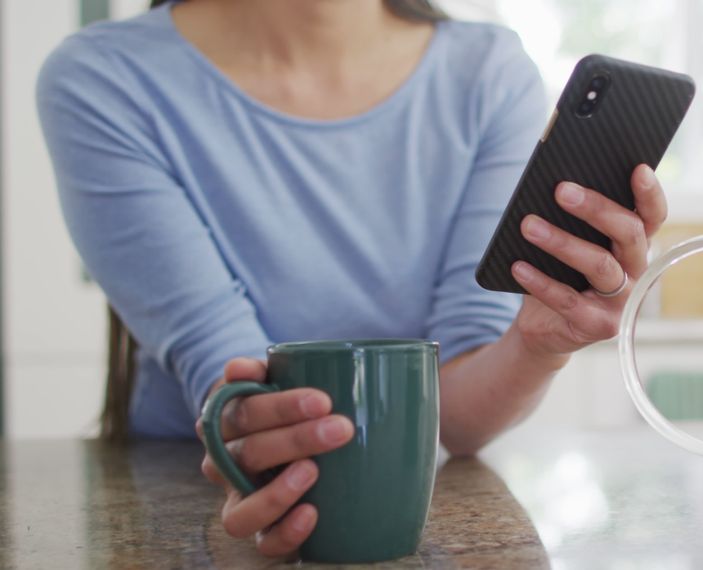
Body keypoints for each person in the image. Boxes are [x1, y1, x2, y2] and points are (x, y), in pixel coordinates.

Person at [37, 0, 668, 558]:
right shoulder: (102, 79)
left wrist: (535, 347)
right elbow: (229, 382)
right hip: (189, 489)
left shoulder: (488, 72)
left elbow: (456, 417)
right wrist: (259, 444)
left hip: (399, 492)